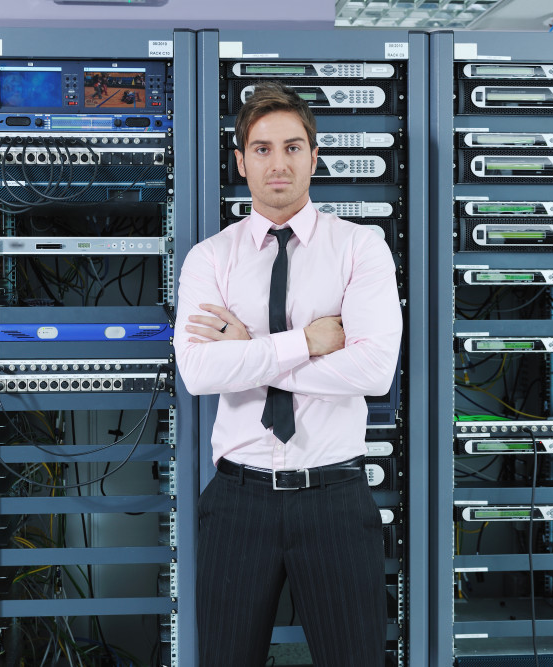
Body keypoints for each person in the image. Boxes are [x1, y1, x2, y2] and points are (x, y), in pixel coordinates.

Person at [174, 82, 402, 666]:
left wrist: (251, 353)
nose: (279, 163)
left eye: (293, 147)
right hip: (237, 501)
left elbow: (374, 369)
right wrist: (304, 343)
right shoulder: (210, 258)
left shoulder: (361, 248)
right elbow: (199, 370)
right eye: (263, 148)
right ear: (241, 160)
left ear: (314, 157)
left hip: (335, 498)